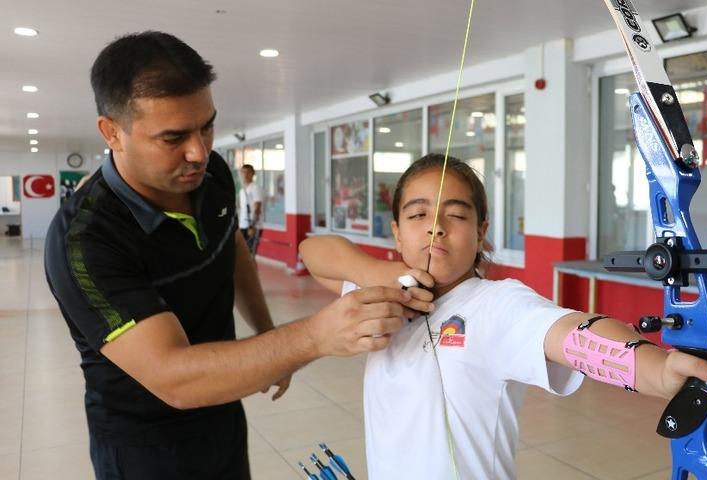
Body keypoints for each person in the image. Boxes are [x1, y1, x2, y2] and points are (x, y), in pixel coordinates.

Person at [43, 31, 426, 480]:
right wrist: (313, 337)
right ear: (113, 132)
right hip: (145, 443)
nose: (199, 151)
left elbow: (232, 248)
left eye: (207, 126)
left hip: (224, 409)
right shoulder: (85, 241)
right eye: (173, 137)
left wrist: (269, 337)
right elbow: (174, 377)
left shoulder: (211, 175)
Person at [299, 153, 707, 480]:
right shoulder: (376, 294)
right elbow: (312, 250)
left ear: (482, 232)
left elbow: (573, 334)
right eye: (418, 214)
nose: (436, 225)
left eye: (456, 216)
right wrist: (376, 273)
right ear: (397, 232)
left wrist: (662, 370)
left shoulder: (498, 305)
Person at [238, 163, 262, 253]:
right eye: (243, 172)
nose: (245, 175)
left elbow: (257, 208)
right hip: (242, 225)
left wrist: (253, 226)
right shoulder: (242, 190)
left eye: (248, 172)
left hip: (252, 226)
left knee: (250, 254)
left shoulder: (255, 188)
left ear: (253, 174)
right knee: (242, 254)